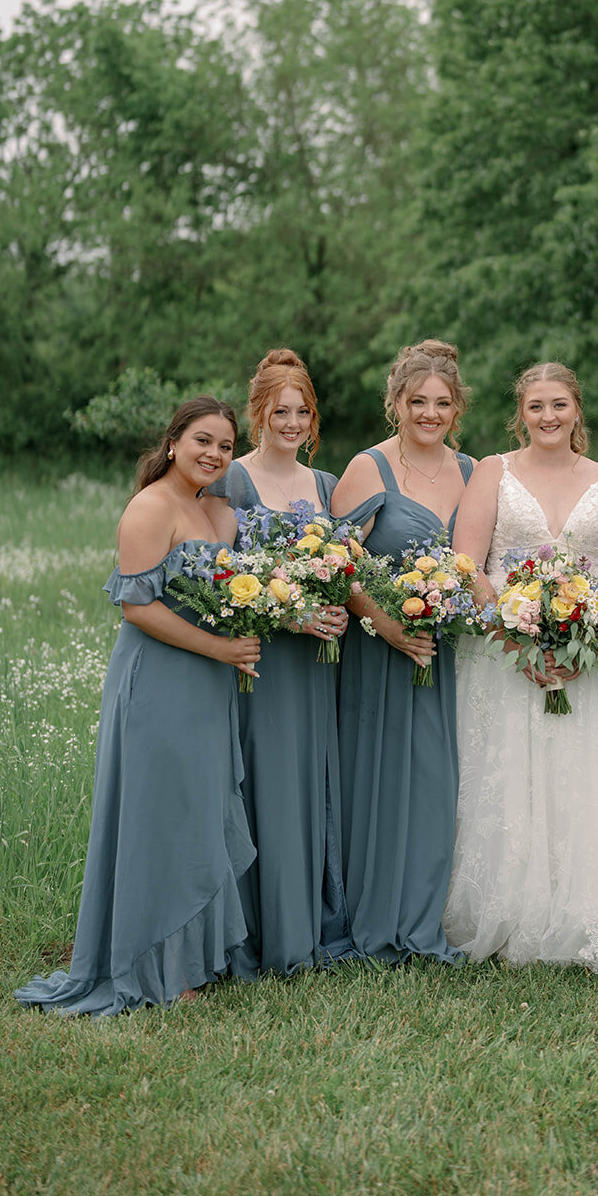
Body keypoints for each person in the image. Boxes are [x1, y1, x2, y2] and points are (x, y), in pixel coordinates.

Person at [15, 399, 260, 1016]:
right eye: (203, 440)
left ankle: (191, 960)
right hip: (159, 679)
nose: (213, 454)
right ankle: (147, 965)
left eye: (226, 447)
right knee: (157, 817)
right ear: (174, 441)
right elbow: (138, 608)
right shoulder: (149, 506)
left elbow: (229, 590)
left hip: (209, 682)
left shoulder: (219, 511)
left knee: (197, 811)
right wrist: (222, 648)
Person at [444, 362, 598, 974]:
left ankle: (590, 915)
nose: (548, 417)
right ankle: (511, 913)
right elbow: (468, 565)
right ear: (521, 413)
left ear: (577, 411)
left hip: (585, 661)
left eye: (559, 404)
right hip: (503, 656)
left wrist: (584, 634)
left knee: (582, 776)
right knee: (509, 776)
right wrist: (520, 639)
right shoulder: (493, 471)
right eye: (537, 406)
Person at [209, 348, 356, 977]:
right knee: (261, 785)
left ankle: (303, 927)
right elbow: (218, 580)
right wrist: (287, 615)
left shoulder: (324, 487)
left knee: (307, 781)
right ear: (258, 414)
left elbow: (344, 572)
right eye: (279, 411)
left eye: (301, 412)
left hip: (316, 664)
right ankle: (253, 934)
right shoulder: (232, 482)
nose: (291, 423)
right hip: (259, 662)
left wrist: (341, 609)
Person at [331, 340, 474, 963]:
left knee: (436, 784)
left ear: (456, 408)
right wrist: (387, 624)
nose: (429, 413)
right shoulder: (369, 467)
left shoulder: (472, 470)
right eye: (418, 402)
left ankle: (422, 921)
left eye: (442, 403)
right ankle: (372, 916)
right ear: (397, 403)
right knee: (379, 779)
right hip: (381, 649)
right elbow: (335, 562)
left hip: (443, 652)